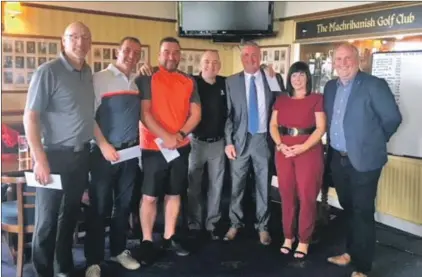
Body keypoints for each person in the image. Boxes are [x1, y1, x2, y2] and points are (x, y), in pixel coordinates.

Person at [324, 43, 402, 277]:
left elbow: (392, 119)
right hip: (339, 159)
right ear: (334, 62)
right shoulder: (330, 87)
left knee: (363, 212)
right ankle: (350, 253)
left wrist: (373, 142)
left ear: (357, 60)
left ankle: (363, 267)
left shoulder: (374, 85)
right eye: (338, 59)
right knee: (348, 209)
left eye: (348, 58)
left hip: (365, 161)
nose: (343, 63)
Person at [24, 22, 94, 277]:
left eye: (85, 37)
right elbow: (30, 117)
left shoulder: (88, 72)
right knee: (47, 222)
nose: (80, 42)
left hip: (80, 155)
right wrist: (39, 159)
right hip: (53, 156)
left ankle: (62, 268)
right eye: (73, 37)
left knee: (70, 216)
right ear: (63, 41)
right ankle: (43, 272)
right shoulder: (48, 72)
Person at [136, 36, 201, 260]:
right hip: (153, 147)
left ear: (180, 55)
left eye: (175, 52)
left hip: (180, 147)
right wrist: (166, 136)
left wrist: (180, 135)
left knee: (174, 193)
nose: (171, 56)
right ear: (159, 54)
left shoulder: (188, 81)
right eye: (166, 52)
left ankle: (169, 236)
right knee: (150, 196)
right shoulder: (147, 77)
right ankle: (146, 240)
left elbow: (196, 114)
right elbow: (145, 114)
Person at [84, 37, 142, 277]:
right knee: (99, 207)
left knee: (124, 205)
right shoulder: (99, 79)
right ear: (117, 51)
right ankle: (93, 261)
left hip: (130, 153)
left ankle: (119, 251)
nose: (131, 55)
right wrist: (104, 145)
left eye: (136, 52)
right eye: (127, 50)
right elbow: (88, 116)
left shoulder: (137, 82)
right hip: (103, 153)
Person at [223, 41, 282, 245]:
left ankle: (263, 227)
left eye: (254, 55)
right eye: (246, 55)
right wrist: (229, 141)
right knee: (236, 185)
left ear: (261, 56)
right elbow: (228, 115)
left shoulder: (272, 78)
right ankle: (235, 223)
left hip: (262, 140)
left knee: (263, 186)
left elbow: (281, 103)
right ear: (241, 58)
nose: (250, 59)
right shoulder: (231, 82)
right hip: (240, 140)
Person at [269, 61, 326, 259]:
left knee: (307, 196)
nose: (298, 79)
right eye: (294, 75)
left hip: (308, 151)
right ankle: (288, 237)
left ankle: (304, 240)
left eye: (302, 75)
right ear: (289, 78)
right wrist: (279, 144)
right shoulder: (281, 100)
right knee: (286, 195)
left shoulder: (316, 99)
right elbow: (273, 126)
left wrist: (303, 147)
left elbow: (320, 128)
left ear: (308, 78)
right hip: (284, 151)